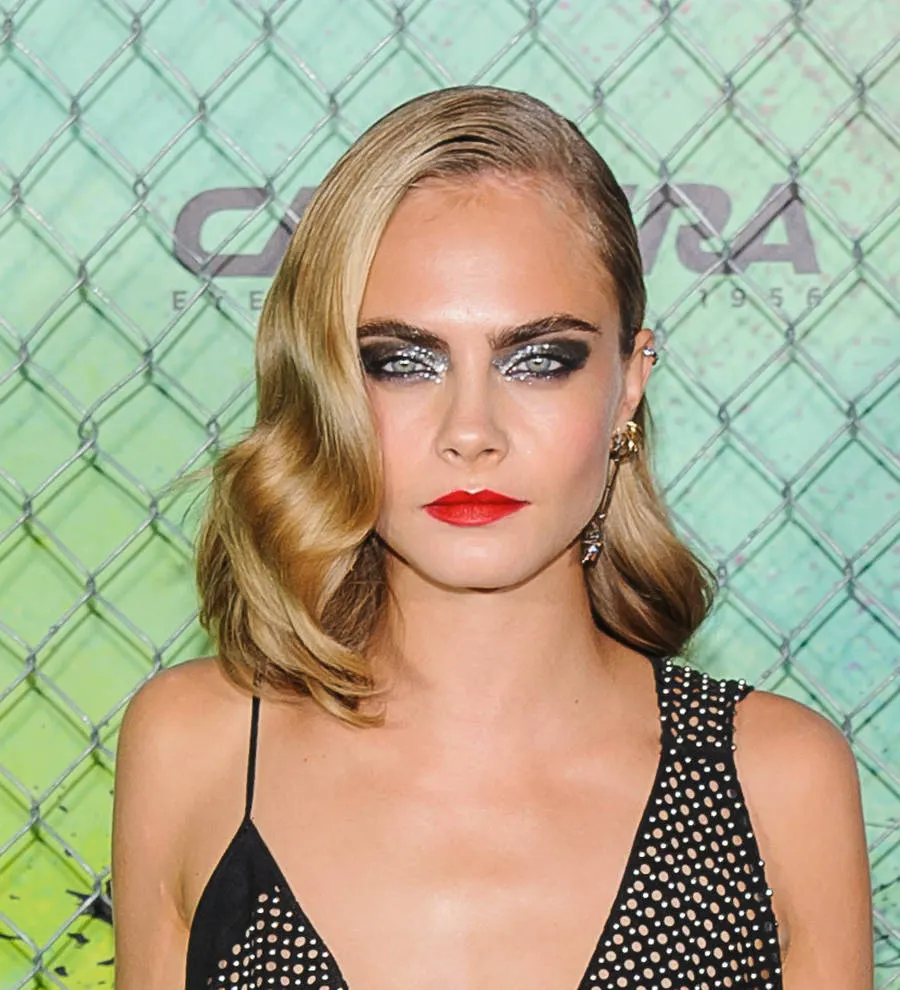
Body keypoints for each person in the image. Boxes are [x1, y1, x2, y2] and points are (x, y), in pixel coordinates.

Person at [111, 86, 873, 990]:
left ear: (629, 382)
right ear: (327, 385)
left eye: (539, 360)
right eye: (403, 362)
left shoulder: (777, 780)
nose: (471, 431)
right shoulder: (195, 746)